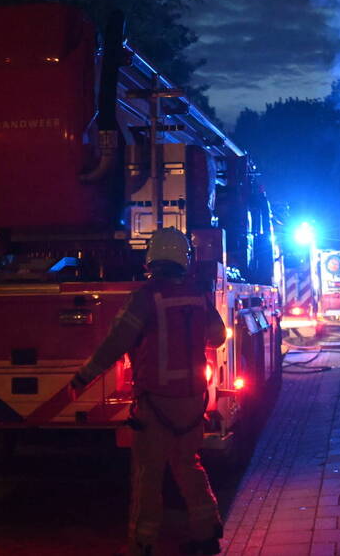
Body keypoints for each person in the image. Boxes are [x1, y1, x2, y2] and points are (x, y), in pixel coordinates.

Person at [69, 228, 225, 556]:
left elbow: (116, 342)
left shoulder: (145, 297)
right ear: (185, 259)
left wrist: (84, 377)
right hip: (192, 401)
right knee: (189, 465)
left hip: (155, 402)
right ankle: (207, 533)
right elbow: (218, 336)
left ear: (151, 259)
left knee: (147, 475)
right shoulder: (198, 295)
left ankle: (142, 544)